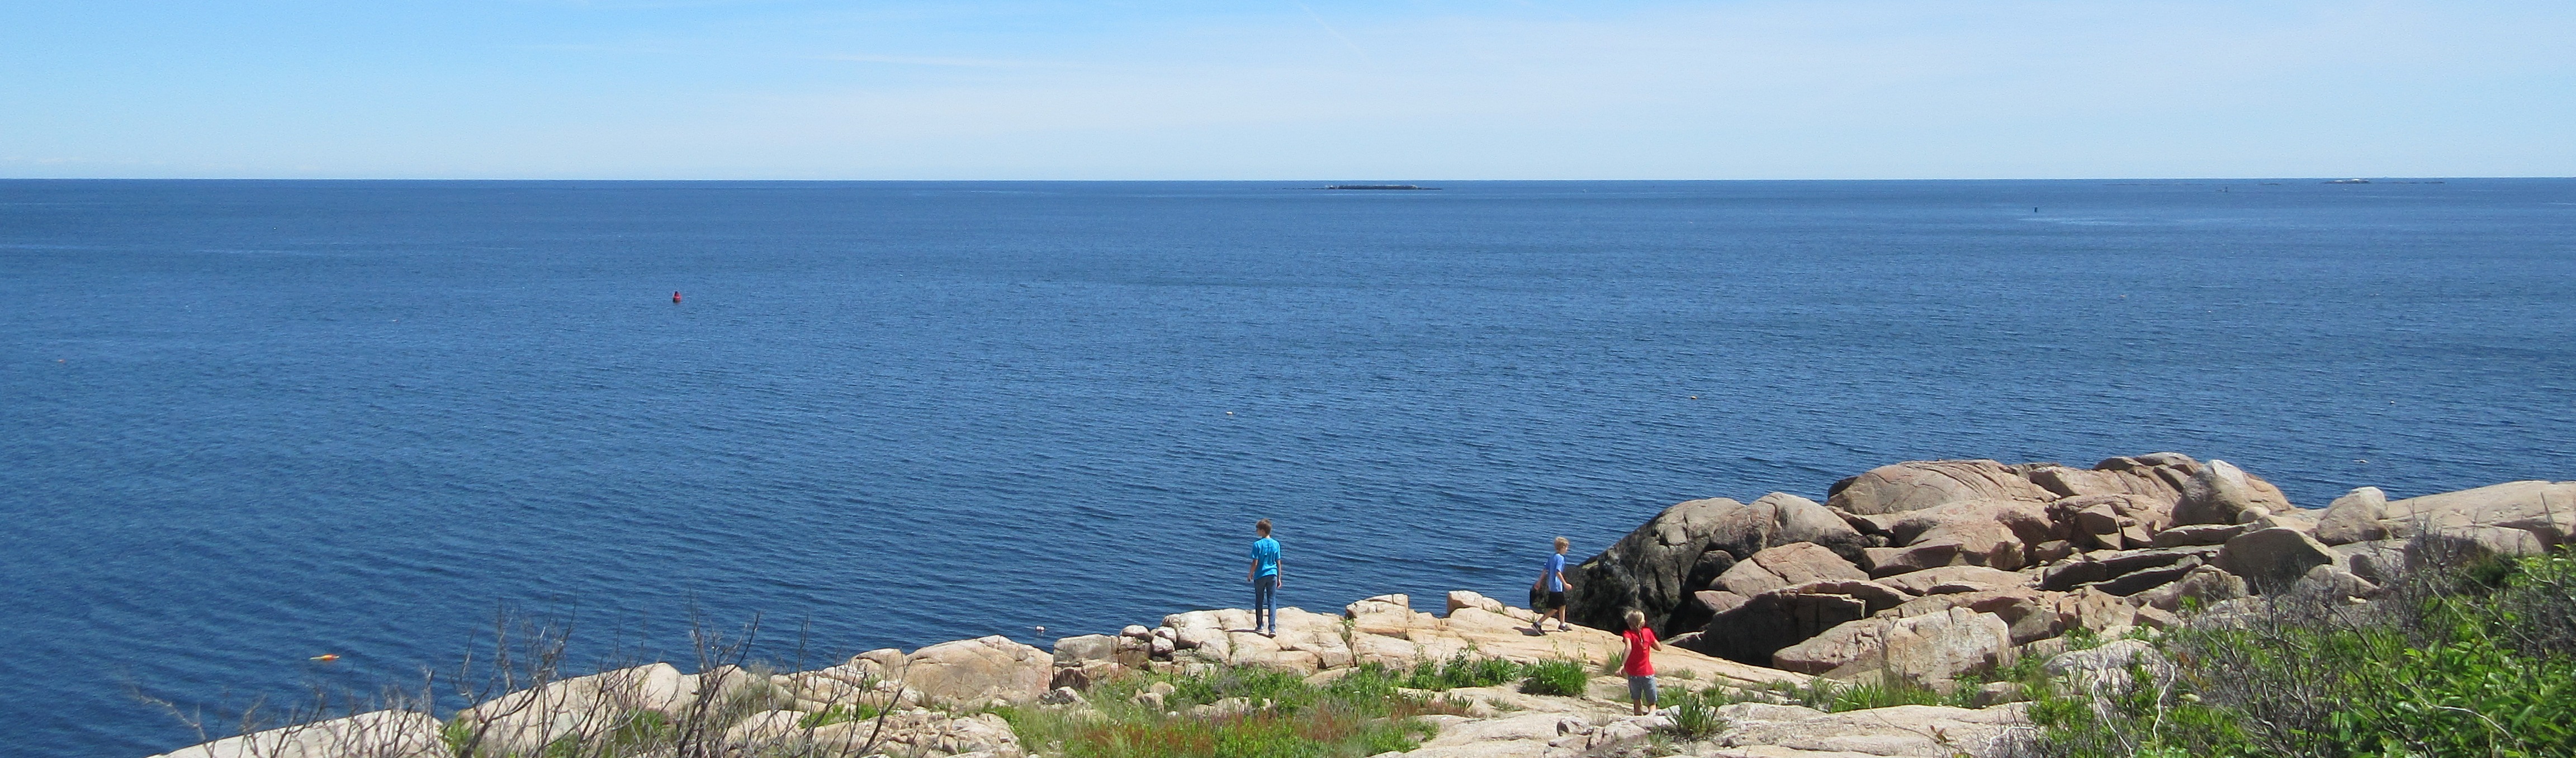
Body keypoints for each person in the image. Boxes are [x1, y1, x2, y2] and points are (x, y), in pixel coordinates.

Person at [1621, 609, 1663, 716]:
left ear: (1629, 623)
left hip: (1633, 674)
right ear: (1643, 623)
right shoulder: (1648, 632)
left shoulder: (1628, 634)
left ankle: (1638, 719)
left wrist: (1623, 665)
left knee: (1637, 701)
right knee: (1652, 703)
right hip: (1647, 673)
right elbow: (1659, 648)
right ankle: (1652, 718)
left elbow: (1629, 647)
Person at [1248, 519, 1282, 637]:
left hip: (1260, 575)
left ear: (1263, 531)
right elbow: (1278, 562)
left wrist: (1250, 574)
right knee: (1272, 601)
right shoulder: (1276, 544)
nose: (1256, 531)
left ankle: (1260, 626)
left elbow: (1255, 562)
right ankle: (1272, 628)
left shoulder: (1257, 545)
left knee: (1259, 600)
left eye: (1257, 529)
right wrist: (1279, 578)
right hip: (1273, 575)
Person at [1531, 537, 1573, 634]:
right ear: (1562, 547)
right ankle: (1538, 623)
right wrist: (1565, 584)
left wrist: (1539, 582)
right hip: (1557, 586)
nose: (1567, 550)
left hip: (1552, 585)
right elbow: (1558, 572)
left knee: (1562, 605)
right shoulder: (1561, 558)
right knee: (1555, 608)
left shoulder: (1552, 557)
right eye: (1566, 547)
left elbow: (1545, 570)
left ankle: (1562, 625)